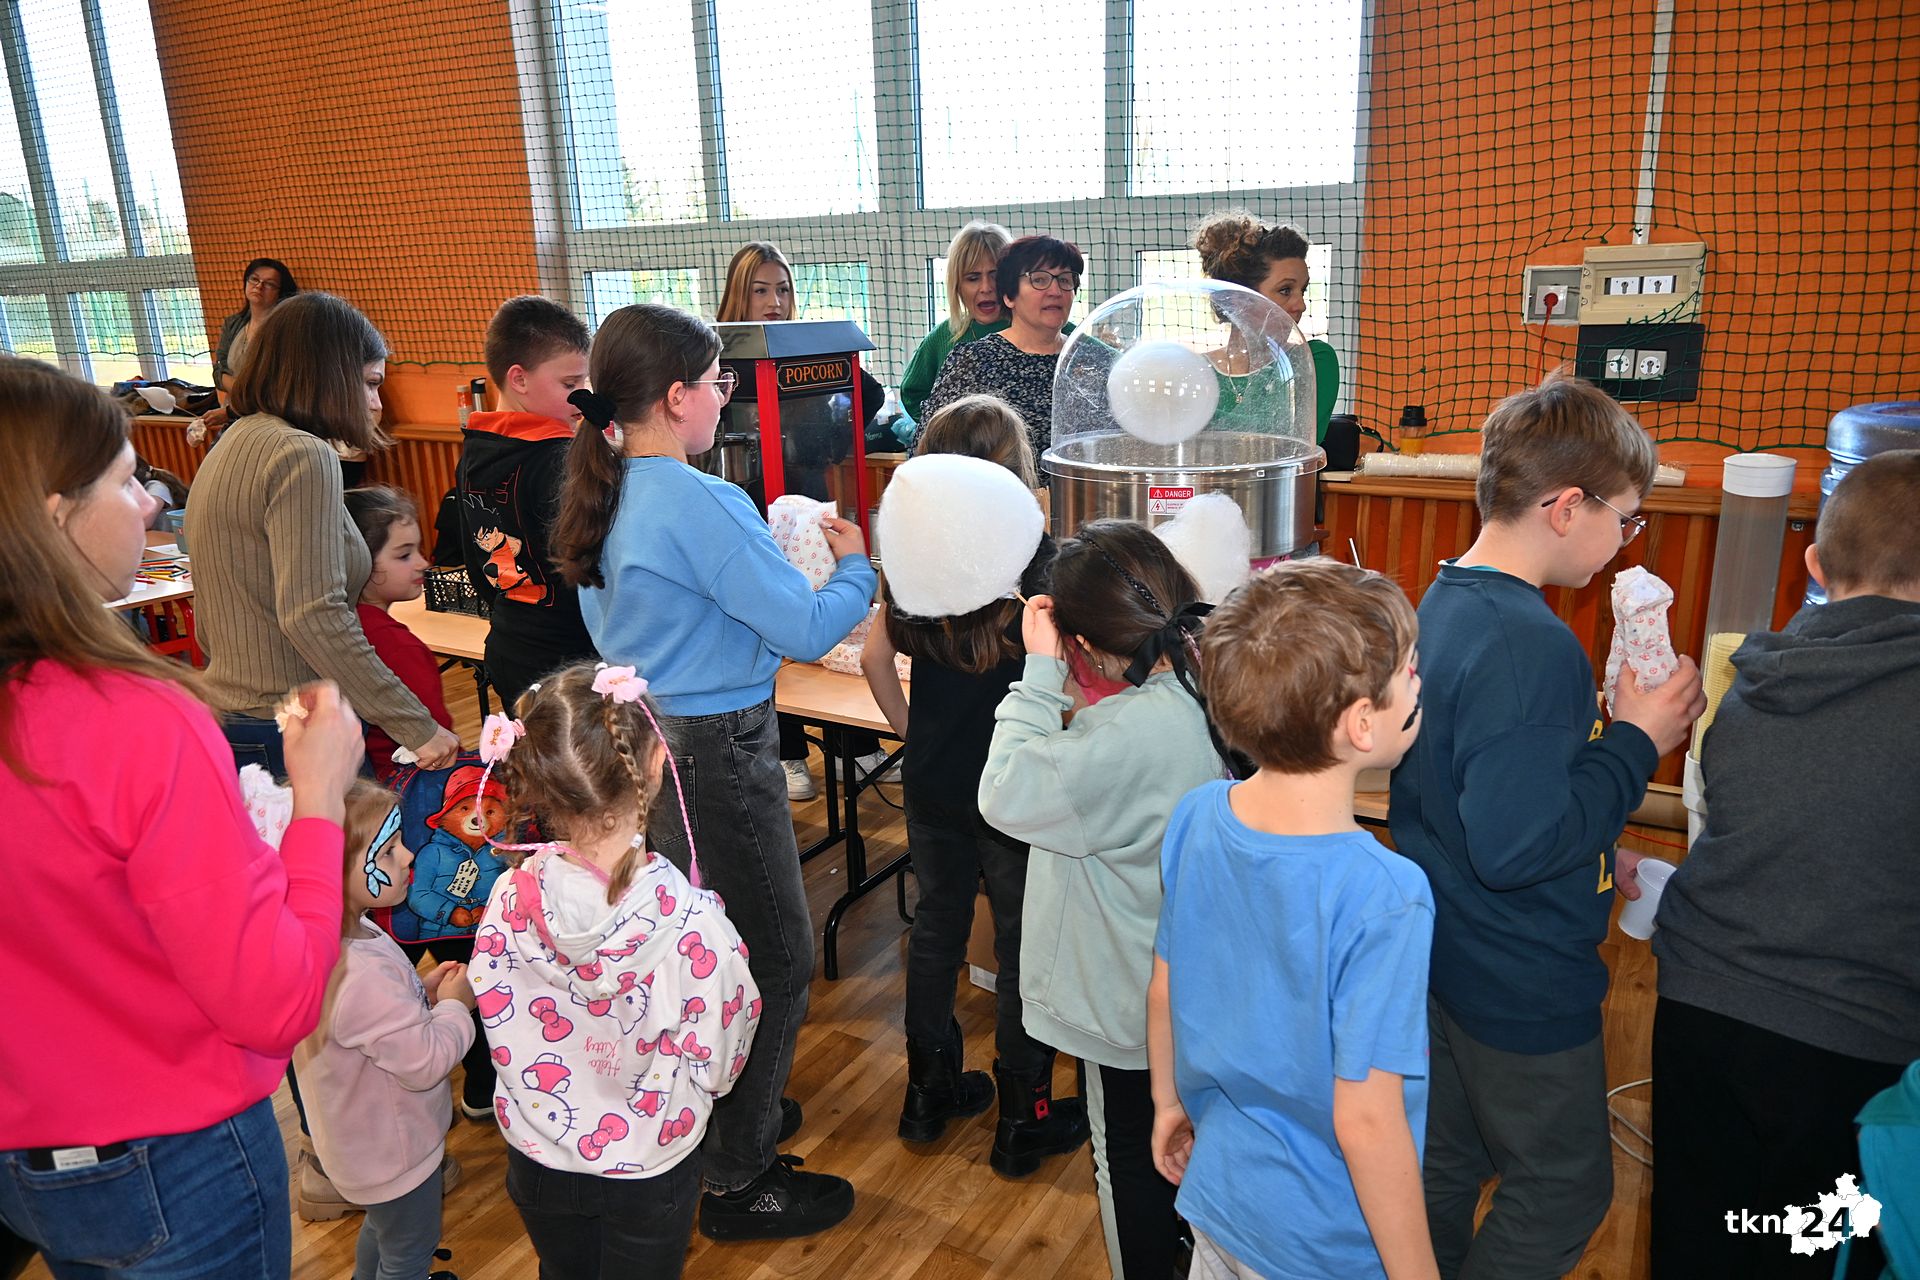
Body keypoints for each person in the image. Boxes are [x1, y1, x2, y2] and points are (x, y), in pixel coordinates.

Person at [0, 354, 364, 1277]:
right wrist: (320, 799)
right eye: (127, 480)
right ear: (55, 519)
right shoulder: (132, 721)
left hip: (33, 1156)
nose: (152, 503)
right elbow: (275, 1000)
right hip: (173, 1160)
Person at [552, 303, 872, 1240]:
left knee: (694, 940)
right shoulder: (697, 499)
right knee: (774, 953)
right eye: (717, 382)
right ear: (677, 396)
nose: (724, 396)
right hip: (714, 746)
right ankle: (739, 1179)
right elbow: (805, 627)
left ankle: (736, 1108)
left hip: (645, 738)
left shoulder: (608, 486)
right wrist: (857, 569)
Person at [1386, 370, 1706, 1279]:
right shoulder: (1531, 644)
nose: (1626, 539)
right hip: (1519, 977)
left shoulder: (1446, 598)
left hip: (1450, 952)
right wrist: (1638, 742)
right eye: (1626, 519)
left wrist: (1601, 845)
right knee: (1564, 1189)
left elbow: (1488, 796)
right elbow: (1518, 846)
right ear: (1568, 508)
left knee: (1449, 1161)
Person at [1649, 450, 1920, 1280]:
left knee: (1701, 1234)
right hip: (1851, 1037)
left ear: (1814, 566)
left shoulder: (1757, 679)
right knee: (1812, 1252)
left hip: (1700, 1007)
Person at [1148, 560, 1438, 1280]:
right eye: (1409, 670)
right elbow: (1367, 1118)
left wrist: (1166, 1102)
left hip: (1220, 1197)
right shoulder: (1386, 893)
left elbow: (1164, 988)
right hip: (1323, 1243)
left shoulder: (1197, 814)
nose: (1419, 682)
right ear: (1362, 723)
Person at [978, 519, 1224, 1279]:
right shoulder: (1213, 685)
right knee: (1191, 1157)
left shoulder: (1125, 734)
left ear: (1082, 644)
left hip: (1128, 1002)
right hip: (1202, 984)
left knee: (1134, 1169)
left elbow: (1003, 792)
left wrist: (1036, 676)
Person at [860, 396, 1089, 1169]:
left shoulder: (916, 555)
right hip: (1014, 788)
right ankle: (1023, 1115)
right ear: (1015, 473)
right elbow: (1071, 680)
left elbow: (873, 659)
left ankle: (927, 1093)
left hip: (933, 779)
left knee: (937, 928)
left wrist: (909, 731)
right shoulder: (1035, 560)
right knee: (1023, 946)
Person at [478, 662, 760, 1277]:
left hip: (536, 1155)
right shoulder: (694, 929)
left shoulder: (507, 899)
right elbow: (719, 1062)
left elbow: (494, 1008)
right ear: (656, 764)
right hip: (649, 1164)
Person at [187, 292, 461, 778]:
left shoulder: (237, 439)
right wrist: (415, 725)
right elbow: (314, 613)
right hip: (289, 722)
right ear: (328, 376)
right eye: (370, 383)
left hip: (239, 713)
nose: (376, 404)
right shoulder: (301, 453)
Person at [715, 241, 889, 798]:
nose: (775, 302)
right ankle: (787, 751)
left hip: (809, 502)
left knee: (831, 611)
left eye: (783, 290)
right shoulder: (713, 357)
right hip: (746, 504)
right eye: (760, 290)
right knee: (772, 622)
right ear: (737, 294)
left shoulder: (807, 350)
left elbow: (864, 392)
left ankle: (853, 747)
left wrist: (823, 436)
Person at [292, 780, 476, 1275]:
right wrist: (455, 1009)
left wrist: (423, 995)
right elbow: (425, 1064)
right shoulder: (358, 975)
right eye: (389, 850)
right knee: (409, 1252)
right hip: (396, 1155)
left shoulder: (337, 938)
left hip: (362, 1148)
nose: (409, 854)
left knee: (383, 1231)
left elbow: (374, 1027)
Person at [457, 296, 600, 708]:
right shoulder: (561, 459)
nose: (583, 396)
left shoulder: (475, 449)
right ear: (518, 379)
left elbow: (476, 563)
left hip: (510, 646)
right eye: (570, 385)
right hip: (570, 662)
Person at [923, 234, 1083, 459]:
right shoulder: (975, 361)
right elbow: (931, 448)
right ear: (1008, 296)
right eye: (1039, 280)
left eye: (1065, 280)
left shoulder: (1089, 359)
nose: (1056, 291)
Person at [1190, 211, 1340, 441]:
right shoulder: (1196, 371)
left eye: (1302, 290)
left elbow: (1281, 441)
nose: (1300, 305)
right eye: (1285, 290)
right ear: (1239, 298)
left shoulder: (1313, 360)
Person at [344, 486, 454, 782]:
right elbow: (440, 739)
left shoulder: (340, 629)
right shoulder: (397, 646)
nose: (422, 563)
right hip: (405, 785)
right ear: (359, 562)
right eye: (404, 555)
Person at [898, 221, 1012, 423]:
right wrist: (943, 431)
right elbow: (912, 393)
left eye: (995, 275)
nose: (986, 287)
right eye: (973, 278)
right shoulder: (943, 336)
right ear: (957, 286)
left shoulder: (1041, 327)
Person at [197, 257, 299, 441]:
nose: (259, 286)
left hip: (272, 422)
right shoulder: (233, 324)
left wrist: (234, 407)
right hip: (236, 416)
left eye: (269, 284)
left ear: (280, 293)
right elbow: (218, 371)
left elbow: (276, 388)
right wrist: (243, 394)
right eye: (254, 279)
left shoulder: (286, 331)